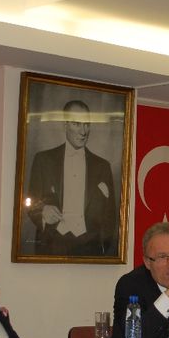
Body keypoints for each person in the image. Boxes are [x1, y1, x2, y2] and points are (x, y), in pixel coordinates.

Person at [26, 100, 117, 256]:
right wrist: (42, 211)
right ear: (65, 125)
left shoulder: (103, 166)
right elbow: (30, 202)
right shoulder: (43, 160)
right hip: (51, 246)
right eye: (76, 124)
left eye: (86, 124)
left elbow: (110, 215)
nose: (83, 131)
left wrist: (102, 248)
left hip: (91, 249)